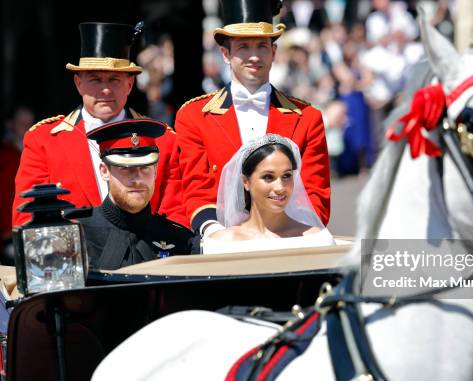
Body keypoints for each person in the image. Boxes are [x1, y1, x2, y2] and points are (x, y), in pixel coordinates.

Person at [175, 0, 331, 240]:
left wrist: (286, 232)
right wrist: (218, 234)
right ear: (226, 54)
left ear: (274, 52)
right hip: (222, 242)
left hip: (291, 240)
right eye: (244, 47)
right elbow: (196, 188)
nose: (254, 56)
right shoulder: (194, 116)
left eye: (262, 46)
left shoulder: (308, 118)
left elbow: (315, 192)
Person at [13, 22, 187, 228]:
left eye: (114, 79)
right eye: (95, 80)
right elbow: (27, 220)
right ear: (78, 83)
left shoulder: (163, 139)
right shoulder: (44, 141)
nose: (105, 90)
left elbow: (177, 216)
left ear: (129, 85)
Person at [79, 119, 195, 270]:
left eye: (145, 168)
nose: (138, 179)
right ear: (104, 171)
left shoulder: (179, 239)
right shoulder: (80, 235)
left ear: (155, 170)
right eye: (126, 169)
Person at [203, 134, 335, 254]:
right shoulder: (222, 243)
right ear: (245, 182)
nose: (280, 187)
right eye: (268, 177)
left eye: (286, 175)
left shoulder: (317, 239)